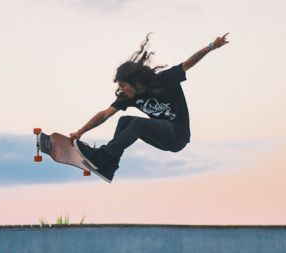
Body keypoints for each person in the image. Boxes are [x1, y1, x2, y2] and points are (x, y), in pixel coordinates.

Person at [70, 32, 230, 182]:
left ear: (135, 81)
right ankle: (109, 167)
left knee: (137, 124)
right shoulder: (129, 96)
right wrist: (80, 132)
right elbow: (104, 115)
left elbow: (189, 63)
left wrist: (212, 46)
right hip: (162, 139)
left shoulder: (165, 79)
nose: (122, 90)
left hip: (178, 136)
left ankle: (102, 157)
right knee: (125, 121)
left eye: (123, 85)